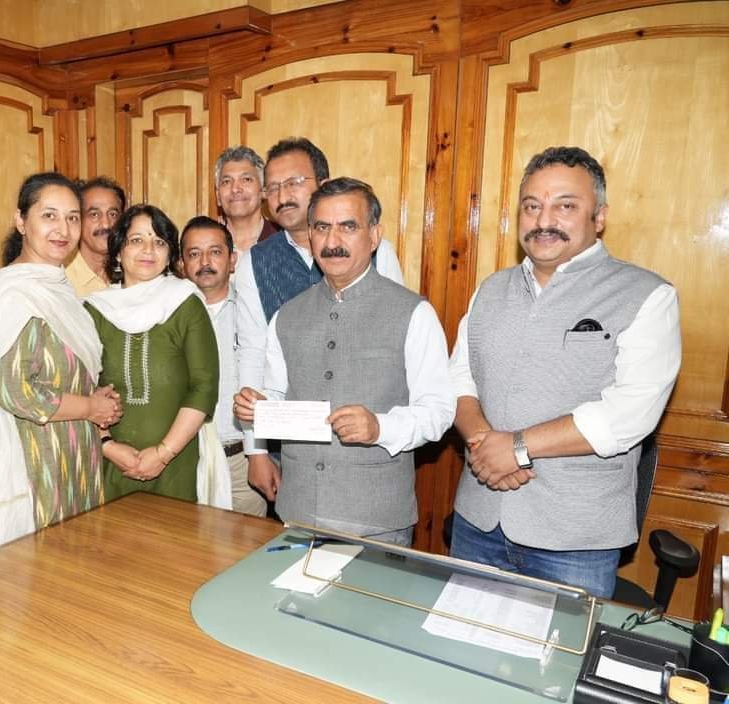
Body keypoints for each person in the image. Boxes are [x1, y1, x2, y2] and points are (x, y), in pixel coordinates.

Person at [448, 146, 682, 597]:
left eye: (565, 206)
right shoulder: (490, 290)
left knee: (562, 647)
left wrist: (516, 447)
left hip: (575, 542)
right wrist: (483, 444)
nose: (544, 220)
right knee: (459, 639)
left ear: (599, 217)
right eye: (531, 206)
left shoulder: (647, 295)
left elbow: (629, 413)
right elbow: (459, 379)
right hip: (478, 522)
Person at [234, 178, 454, 544]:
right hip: (297, 513)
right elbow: (276, 394)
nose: (332, 241)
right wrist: (256, 408)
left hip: (376, 521)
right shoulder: (286, 316)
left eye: (348, 227)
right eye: (322, 227)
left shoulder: (413, 313)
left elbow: (439, 411)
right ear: (311, 235)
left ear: (374, 235)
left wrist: (380, 427)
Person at [235, 137, 406, 501]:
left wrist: (383, 427)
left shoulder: (377, 250)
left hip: (367, 449)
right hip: (292, 448)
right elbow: (252, 352)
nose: (283, 196)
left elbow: (396, 341)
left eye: (294, 182)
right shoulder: (254, 262)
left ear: (324, 184)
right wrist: (256, 450)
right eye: (273, 187)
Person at [0, 172, 122, 546]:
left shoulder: (58, 288)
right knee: (48, 563)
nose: (63, 229)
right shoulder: (17, 293)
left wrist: (95, 398)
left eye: (73, 217)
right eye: (49, 216)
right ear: (20, 221)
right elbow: (16, 391)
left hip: (79, 454)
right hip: (39, 459)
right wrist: (90, 406)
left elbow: (67, 369)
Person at [85, 204, 222, 503]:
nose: (148, 250)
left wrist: (163, 453)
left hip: (177, 463)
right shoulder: (94, 310)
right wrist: (107, 445)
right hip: (110, 462)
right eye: (136, 240)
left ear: (170, 254)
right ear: (118, 251)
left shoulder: (186, 303)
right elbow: (82, 388)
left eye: (159, 242)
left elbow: (204, 386)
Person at [180, 215, 265, 516]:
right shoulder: (167, 316)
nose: (205, 261)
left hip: (242, 463)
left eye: (215, 252)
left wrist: (260, 454)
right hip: (185, 459)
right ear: (181, 264)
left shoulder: (255, 313)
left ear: (232, 260)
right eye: (194, 253)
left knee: (249, 545)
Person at [64, 176, 126, 298]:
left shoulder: (132, 270)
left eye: (113, 214)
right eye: (94, 214)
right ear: (78, 220)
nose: (106, 224)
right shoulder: (61, 278)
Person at [213, 145, 279, 253]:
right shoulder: (207, 245)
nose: (235, 189)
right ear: (218, 196)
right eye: (226, 181)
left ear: (263, 190)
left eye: (246, 179)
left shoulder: (285, 240)